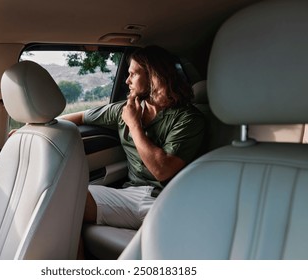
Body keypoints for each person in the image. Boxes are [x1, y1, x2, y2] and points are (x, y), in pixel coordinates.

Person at [62, 45, 205, 230]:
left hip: (168, 199)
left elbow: (162, 170)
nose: (127, 81)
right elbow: (80, 117)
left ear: (154, 76)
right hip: (128, 195)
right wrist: (35, 126)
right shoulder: (124, 109)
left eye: (134, 74)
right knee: (66, 202)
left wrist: (134, 124)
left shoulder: (189, 119)